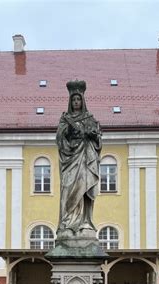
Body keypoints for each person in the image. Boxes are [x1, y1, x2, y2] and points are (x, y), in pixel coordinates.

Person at [56, 80, 102, 239]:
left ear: (82, 101)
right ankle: (68, 223)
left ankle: (85, 222)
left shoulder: (89, 118)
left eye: (78, 99)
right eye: (74, 100)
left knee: (85, 188)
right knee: (68, 189)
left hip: (85, 158)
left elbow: (98, 139)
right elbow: (60, 140)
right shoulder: (65, 119)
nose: (76, 102)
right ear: (70, 101)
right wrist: (68, 131)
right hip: (70, 160)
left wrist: (92, 136)